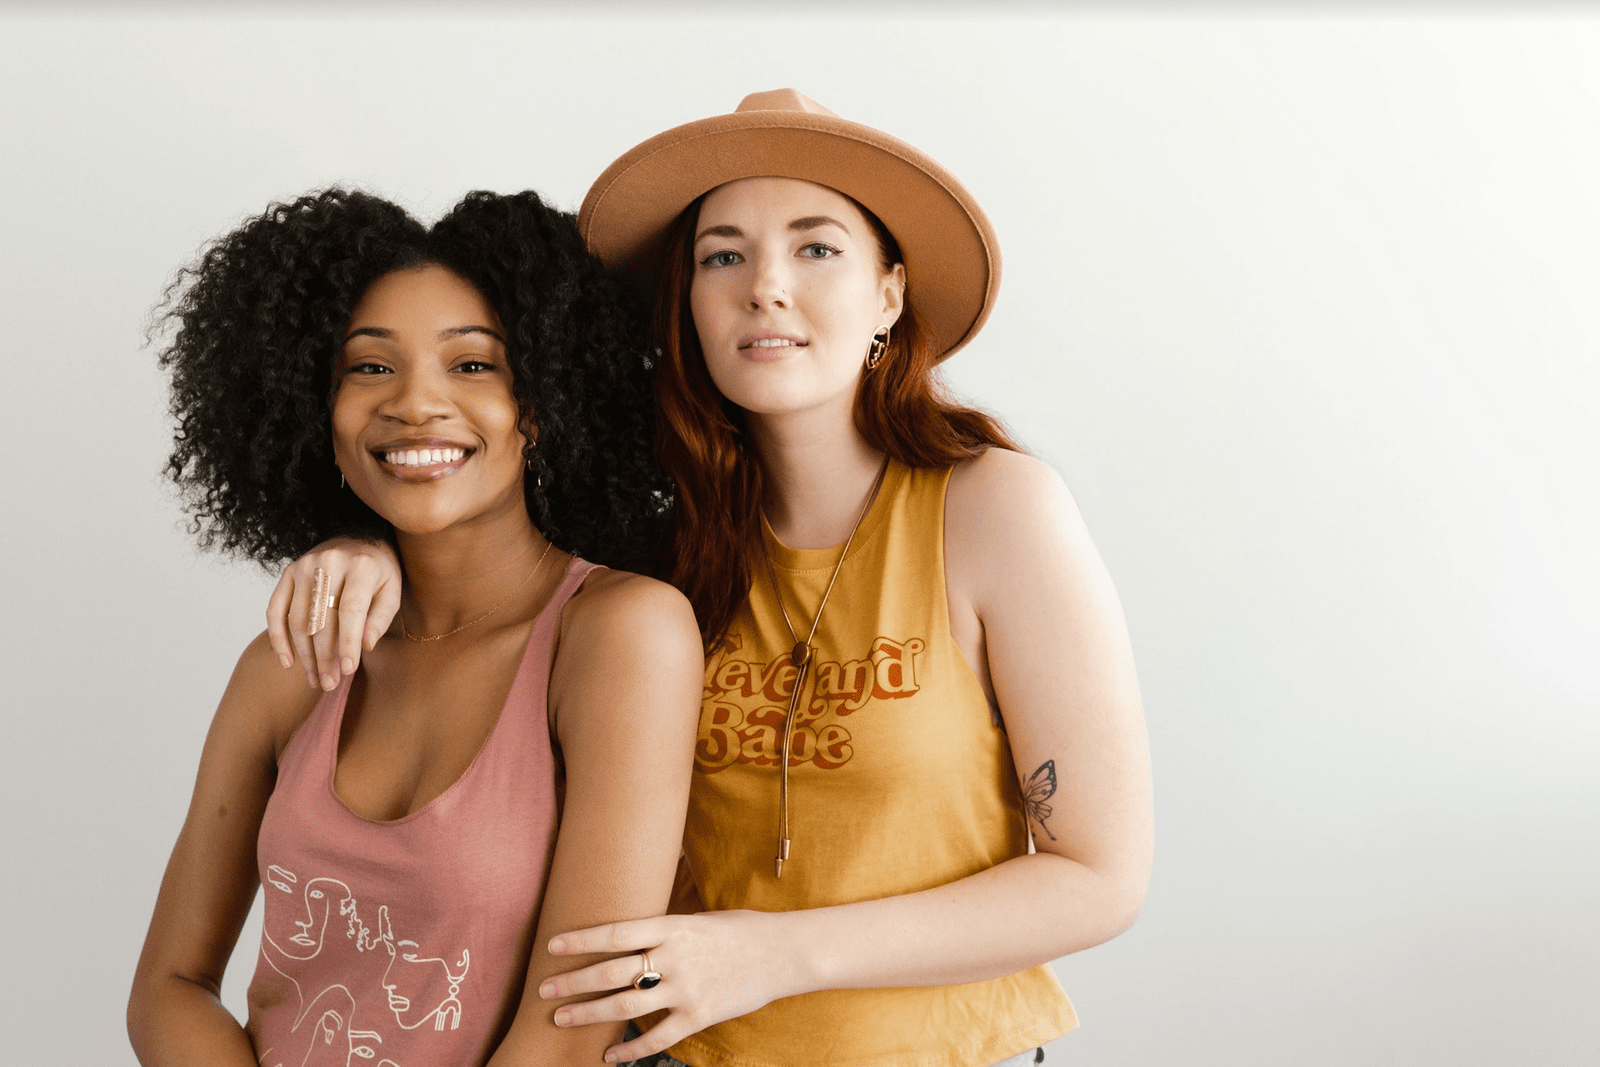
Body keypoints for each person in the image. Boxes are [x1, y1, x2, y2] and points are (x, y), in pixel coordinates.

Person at [267, 90, 1153, 1067]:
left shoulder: (994, 509)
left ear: (889, 295)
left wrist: (773, 954)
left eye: (815, 249)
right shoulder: (647, 529)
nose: (765, 287)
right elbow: (467, 527)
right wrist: (359, 543)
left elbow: (1099, 875)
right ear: (686, 300)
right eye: (722, 255)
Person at [126, 188, 704, 1067]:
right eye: (368, 367)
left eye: (473, 365)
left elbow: (573, 1022)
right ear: (314, 409)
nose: (414, 403)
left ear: (542, 403)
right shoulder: (288, 666)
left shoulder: (622, 635)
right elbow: (168, 987)